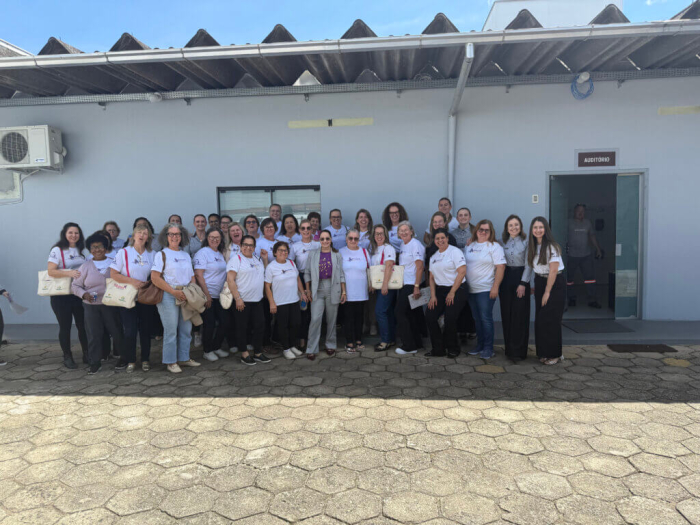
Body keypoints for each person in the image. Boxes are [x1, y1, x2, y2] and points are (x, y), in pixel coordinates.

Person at [71, 232, 125, 375]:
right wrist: (84, 294)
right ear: (90, 250)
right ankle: (95, 362)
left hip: (111, 304)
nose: (97, 250)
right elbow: (75, 286)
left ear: (105, 248)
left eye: (100, 246)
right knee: (94, 335)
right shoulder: (85, 266)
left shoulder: (114, 264)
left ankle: (123, 358)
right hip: (91, 306)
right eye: (93, 247)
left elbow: (123, 281)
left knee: (117, 332)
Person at [151, 222, 201, 373]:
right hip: (168, 295)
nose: (174, 237)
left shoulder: (185, 255)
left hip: (186, 294)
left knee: (186, 329)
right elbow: (155, 278)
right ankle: (171, 361)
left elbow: (192, 276)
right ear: (166, 236)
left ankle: (184, 358)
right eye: (171, 234)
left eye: (177, 234)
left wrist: (191, 292)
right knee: (171, 330)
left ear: (182, 236)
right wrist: (173, 292)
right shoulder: (161, 254)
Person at [109, 223, 157, 372]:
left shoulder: (152, 254)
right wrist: (133, 281)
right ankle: (131, 360)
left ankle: (145, 359)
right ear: (134, 235)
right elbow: (113, 274)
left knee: (145, 330)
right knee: (130, 331)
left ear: (148, 237)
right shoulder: (124, 252)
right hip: (128, 297)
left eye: (145, 233)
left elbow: (156, 274)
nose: (142, 235)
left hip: (146, 297)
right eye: (139, 232)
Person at [47, 222, 88, 369]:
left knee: (83, 326)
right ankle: (67, 356)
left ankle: (87, 354)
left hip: (78, 294)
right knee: (65, 327)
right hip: (61, 295)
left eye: (76, 233)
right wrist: (69, 273)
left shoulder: (81, 250)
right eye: (70, 232)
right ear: (65, 234)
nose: (73, 235)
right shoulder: (57, 250)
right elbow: (51, 271)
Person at [226, 235, 271, 366]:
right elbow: (230, 280)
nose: (248, 247)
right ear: (241, 246)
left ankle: (257, 352)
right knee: (242, 327)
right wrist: (237, 298)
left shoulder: (257, 259)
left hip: (257, 300)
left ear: (254, 247)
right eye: (245, 244)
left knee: (259, 326)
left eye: (251, 245)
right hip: (242, 300)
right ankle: (244, 354)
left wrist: (265, 259)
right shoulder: (236, 259)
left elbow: (264, 273)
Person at [527, 217, 566, 366]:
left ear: (546, 229)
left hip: (554, 284)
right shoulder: (532, 246)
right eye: (535, 227)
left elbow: (553, 271)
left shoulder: (551, 246)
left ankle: (555, 354)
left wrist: (547, 292)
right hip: (540, 281)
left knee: (551, 320)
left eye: (541, 227)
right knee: (541, 320)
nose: (538, 230)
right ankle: (544, 353)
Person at [465, 220, 506, 360]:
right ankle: (480, 345)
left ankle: (488, 348)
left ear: (491, 232)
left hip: (486, 289)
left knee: (486, 319)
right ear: (476, 231)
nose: (483, 232)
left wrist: (495, 287)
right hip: (471, 290)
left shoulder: (495, 247)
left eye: (486, 230)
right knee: (477, 319)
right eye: (480, 229)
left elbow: (501, 267)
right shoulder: (470, 245)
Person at [305, 230, 346, 360]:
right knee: (315, 319)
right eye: (322, 239)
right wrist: (308, 289)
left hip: (333, 287)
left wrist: (343, 291)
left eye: (327, 238)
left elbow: (341, 274)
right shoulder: (313, 254)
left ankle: (330, 344)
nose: (325, 241)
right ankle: (311, 348)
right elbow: (307, 272)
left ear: (331, 239)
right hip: (317, 288)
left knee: (331, 319)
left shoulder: (336, 254)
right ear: (319, 240)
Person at [426, 228, 468, 357]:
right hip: (440, 290)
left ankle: (453, 348)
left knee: (450, 318)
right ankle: (438, 349)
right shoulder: (434, 256)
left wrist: (452, 292)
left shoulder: (455, 252)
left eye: (442, 238)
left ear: (447, 238)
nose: (440, 240)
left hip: (457, 288)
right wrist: (433, 296)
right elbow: (431, 278)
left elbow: (462, 272)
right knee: (430, 316)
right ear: (434, 240)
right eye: (437, 238)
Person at [265, 241, 307, 360]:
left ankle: (292, 345)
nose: (283, 252)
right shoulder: (271, 267)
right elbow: (267, 286)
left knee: (295, 324)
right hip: (280, 302)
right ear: (275, 252)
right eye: (280, 250)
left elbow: (298, 279)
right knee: (283, 326)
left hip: (294, 300)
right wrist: (271, 302)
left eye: (285, 250)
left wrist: (302, 293)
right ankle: (286, 349)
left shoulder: (291, 263)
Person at [499, 215, 532, 362]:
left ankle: (519, 351)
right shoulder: (501, 242)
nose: (514, 228)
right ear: (507, 228)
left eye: (516, 225)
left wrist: (523, 283)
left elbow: (529, 264)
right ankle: (509, 351)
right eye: (510, 225)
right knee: (507, 313)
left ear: (521, 226)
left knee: (520, 315)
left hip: (521, 278)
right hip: (506, 278)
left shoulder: (527, 242)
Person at [194, 228, 230, 362]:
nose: (214, 240)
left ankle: (216, 347)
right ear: (207, 238)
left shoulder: (220, 253)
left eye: (217, 237)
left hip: (220, 295)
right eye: (211, 237)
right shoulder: (202, 253)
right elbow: (198, 275)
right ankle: (207, 351)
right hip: (207, 295)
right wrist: (207, 295)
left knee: (225, 322)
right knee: (209, 324)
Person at [394, 221, 426, 355]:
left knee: (399, 312)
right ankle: (417, 343)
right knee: (410, 314)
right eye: (401, 230)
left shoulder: (415, 244)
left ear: (411, 231)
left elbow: (420, 267)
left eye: (406, 230)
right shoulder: (403, 244)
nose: (403, 232)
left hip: (412, 284)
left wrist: (416, 286)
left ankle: (409, 345)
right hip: (404, 283)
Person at [340, 229, 370, 353]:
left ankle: (358, 339)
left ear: (359, 240)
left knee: (359, 317)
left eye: (356, 238)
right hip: (346, 291)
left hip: (361, 290)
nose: (353, 240)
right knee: (348, 317)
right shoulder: (341, 252)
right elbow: (338, 273)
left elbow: (369, 269)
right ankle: (349, 341)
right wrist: (342, 291)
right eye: (350, 238)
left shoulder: (364, 251)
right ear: (346, 239)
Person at [567, 204, 602, 309]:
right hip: (571, 255)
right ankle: (571, 299)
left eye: (583, 211)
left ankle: (592, 300)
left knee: (590, 279)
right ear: (574, 211)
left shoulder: (587, 223)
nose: (581, 213)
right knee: (569, 279)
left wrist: (598, 249)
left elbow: (592, 236)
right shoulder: (568, 223)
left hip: (586, 255)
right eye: (579, 211)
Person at [293, 220, 320, 350]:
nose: (306, 230)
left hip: (316, 279)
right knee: (303, 311)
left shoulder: (318, 244)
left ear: (311, 229)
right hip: (301, 279)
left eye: (308, 228)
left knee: (315, 311)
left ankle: (313, 339)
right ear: (299, 230)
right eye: (303, 228)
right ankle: (302, 340)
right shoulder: (295, 246)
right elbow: (292, 265)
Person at [370, 224, 397, 351]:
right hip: (379, 285)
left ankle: (385, 341)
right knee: (388, 312)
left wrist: (385, 284)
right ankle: (391, 339)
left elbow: (389, 266)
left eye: (381, 233)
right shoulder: (375, 249)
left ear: (385, 235)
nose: (379, 236)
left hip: (387, 285)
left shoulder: (388, 248)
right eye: (377, 233)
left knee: (380, 311)